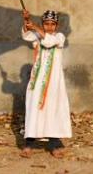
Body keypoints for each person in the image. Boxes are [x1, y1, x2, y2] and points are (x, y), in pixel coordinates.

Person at [19, 9, 72, 158]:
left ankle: (54, 145)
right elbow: (26, 34)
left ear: (57, 25)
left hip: (54, 84)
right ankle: (29, 144)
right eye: (46, 24)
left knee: (52, 111)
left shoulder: (59, 37)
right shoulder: (37, 35)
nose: (49, 26)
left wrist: (36, 27)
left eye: (52, 24)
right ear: (43, 24)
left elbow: (48, 42)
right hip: (37, 82)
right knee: (33, 110)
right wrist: (27, 21)